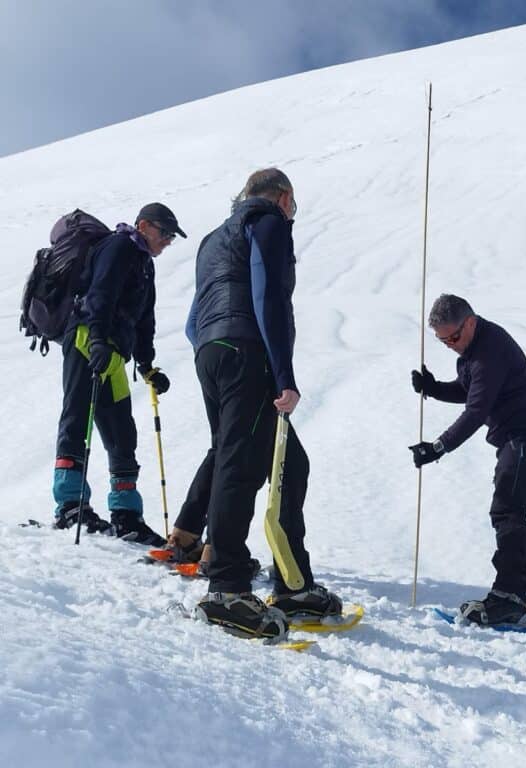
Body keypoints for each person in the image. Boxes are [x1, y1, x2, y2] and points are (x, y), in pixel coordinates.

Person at [186, 167, 343, 639]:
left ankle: (293, 585)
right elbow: (267, 294)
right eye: (293, 204)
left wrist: (212, 352)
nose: (292, 212)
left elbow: (194, 318)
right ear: (283, 196)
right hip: (246, 350)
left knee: (290, 464)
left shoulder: (214, 237)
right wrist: (283, 374)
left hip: (211, 352)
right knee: (241, 463)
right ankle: (227, 588)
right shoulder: (268, 222)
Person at [410, 294, 526, 626]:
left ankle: (508, 595)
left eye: (453, 337)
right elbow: (469, 390)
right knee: (511, 511)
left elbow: (476, 410)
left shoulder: (490, 351)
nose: (449, 345)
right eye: (442, 340)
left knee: (506, 511)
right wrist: (432, 387)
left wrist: (438, 447)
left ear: (470, 322)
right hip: (516, 437)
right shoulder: (475, 348)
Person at [52, 203, 183, 546]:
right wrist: (96, 339)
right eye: (164, 232)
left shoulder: (143, 264)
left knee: (121, 432)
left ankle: (126, 514)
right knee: (78, 418)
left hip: (114, 354)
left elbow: (144, 320)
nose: (168, 240)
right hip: (86, 340)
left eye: (171, 236)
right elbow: (101, 294)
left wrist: (147, 366)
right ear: (143, 225)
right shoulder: (120, 246)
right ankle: (70, 505)